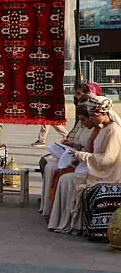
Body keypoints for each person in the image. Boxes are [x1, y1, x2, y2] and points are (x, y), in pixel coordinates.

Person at [48, 95, 121, 234]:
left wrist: (81, 155)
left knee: (68, 180)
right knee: (64, 178)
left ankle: (73, 223)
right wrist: (75, 147)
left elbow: (107, 160)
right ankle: (65, 220)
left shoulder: (113, 130)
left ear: (104, 113)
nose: (91, 119)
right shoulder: (103, 128)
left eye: (94, 115)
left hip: (107, 175)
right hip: (98, 171)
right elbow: (92, 149)